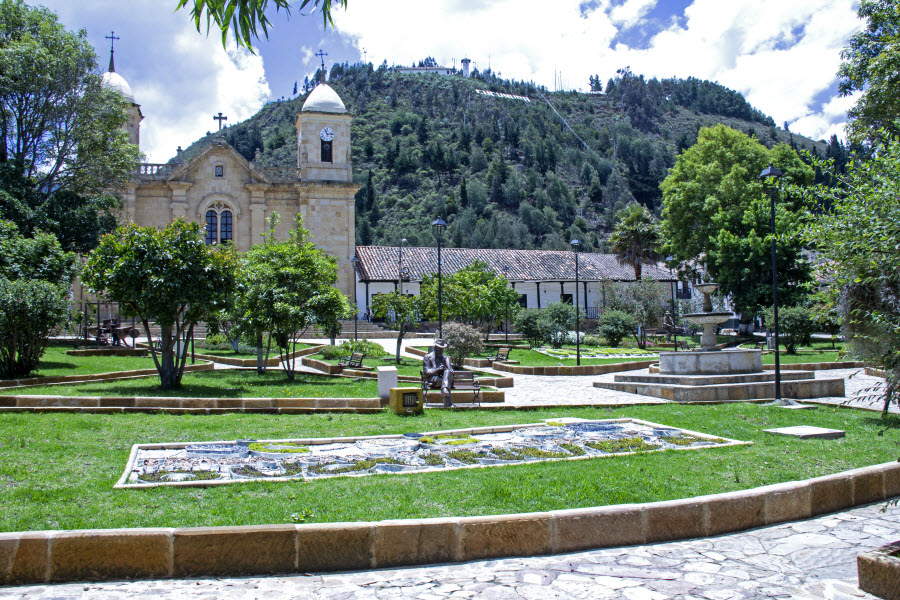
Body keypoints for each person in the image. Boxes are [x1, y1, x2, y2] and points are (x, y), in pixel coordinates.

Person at [422, 338, 454, 407]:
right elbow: (426, 372)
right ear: (435, 347)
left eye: (442, 349)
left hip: (444, 378)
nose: (440, 351)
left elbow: (450, 371)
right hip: (434, 380)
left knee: (447, 372)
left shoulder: (446, 358)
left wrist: (444, 370)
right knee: (445, 382)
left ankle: (444, 389)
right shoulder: (427, 357)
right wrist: (438, 370)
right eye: (439, 348)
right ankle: (448, 403)